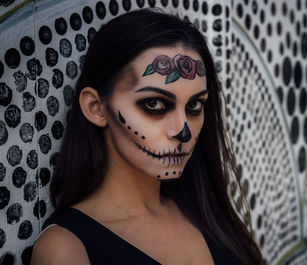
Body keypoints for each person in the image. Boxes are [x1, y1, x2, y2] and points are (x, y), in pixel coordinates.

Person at [31, 8, 264, 265]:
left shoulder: (211, 217)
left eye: (194, 106)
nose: (182, 130)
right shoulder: (67, 247)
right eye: (154, 103)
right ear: (96, 108)